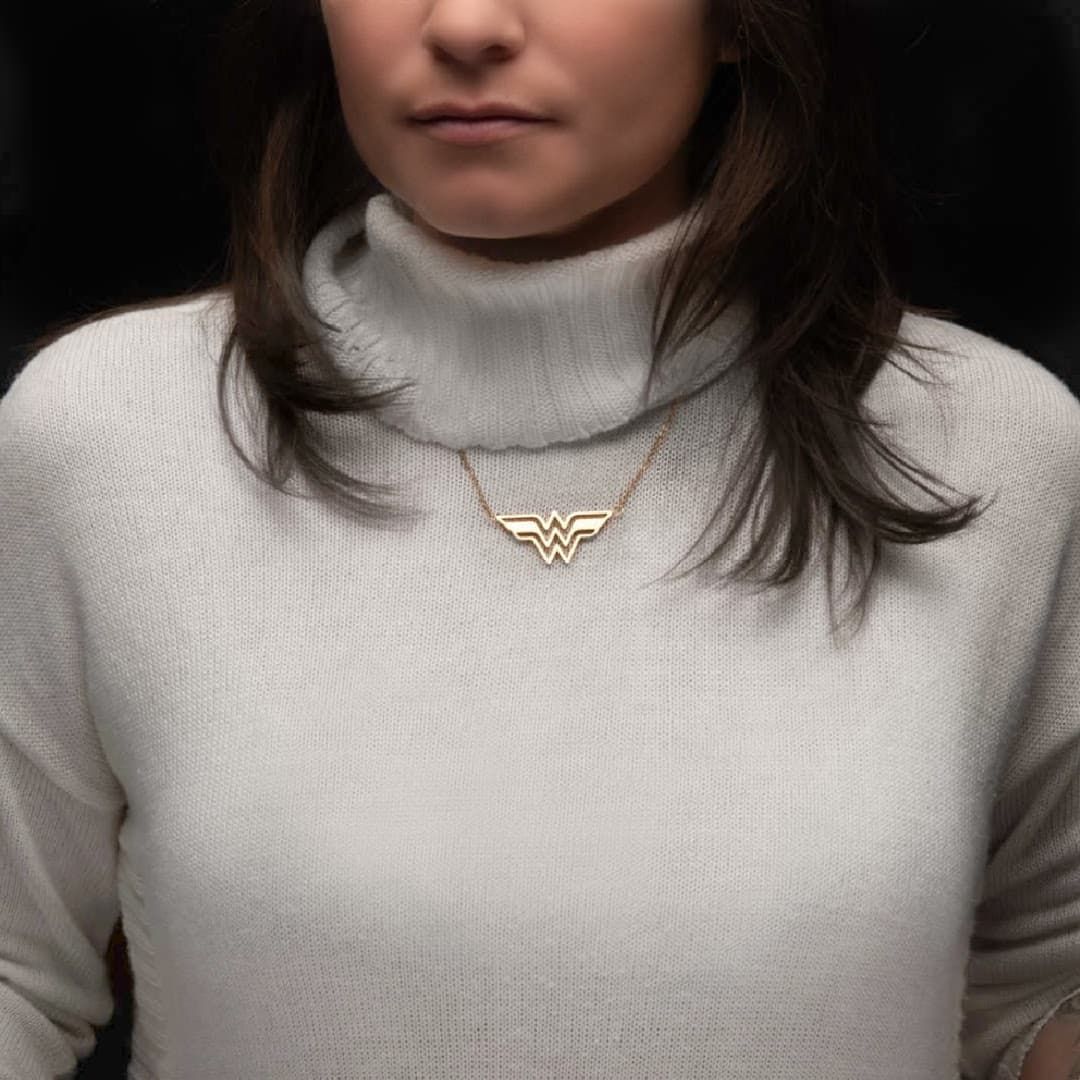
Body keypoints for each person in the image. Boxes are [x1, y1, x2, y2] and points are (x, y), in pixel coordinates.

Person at [2, 1, 1079, 1077]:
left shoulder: (992, 452)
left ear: (739, 19)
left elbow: (1043, 991)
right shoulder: (109, 438)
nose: (467, 24)